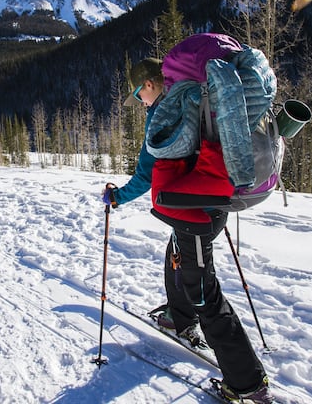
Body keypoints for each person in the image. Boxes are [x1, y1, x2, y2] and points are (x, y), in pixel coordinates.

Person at [102, 58, 271, 403]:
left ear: (148, 85)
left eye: (139, 95)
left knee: (203, 292)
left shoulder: (166, 113)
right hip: (211, 202)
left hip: (195, 210)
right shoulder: (196, 94)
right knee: (178, 254)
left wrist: (118, 196)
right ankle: (177, 317)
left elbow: (146, 174)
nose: (141, 103)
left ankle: (246, 383)